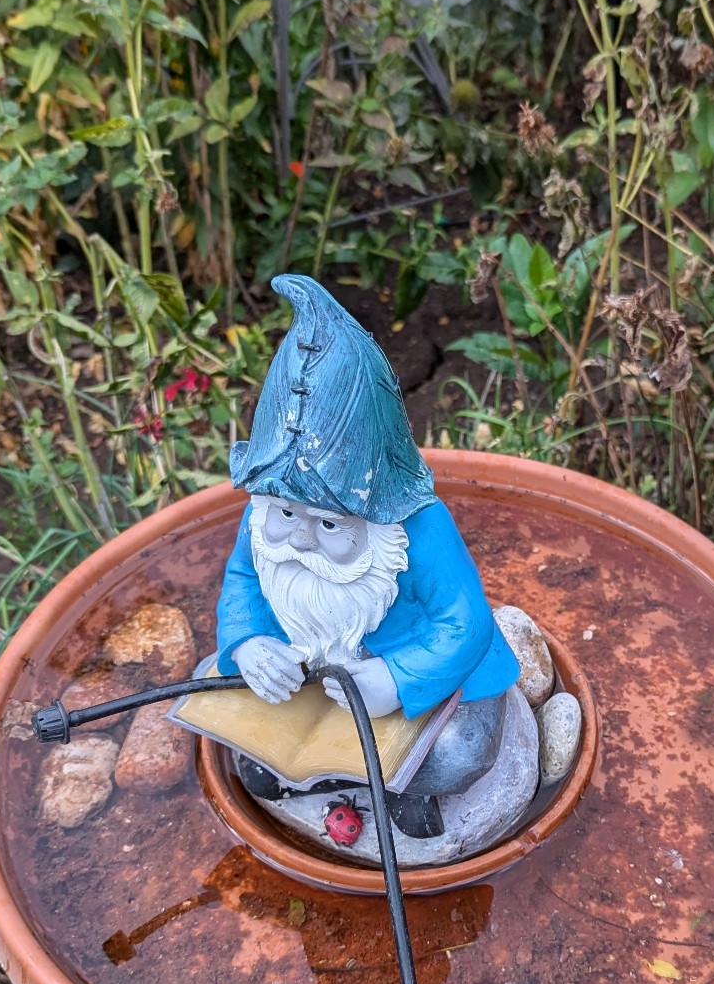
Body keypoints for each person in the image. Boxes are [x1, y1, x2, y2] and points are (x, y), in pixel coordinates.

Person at [211, 274, 520, 837]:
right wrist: (249, 642)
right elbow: (244, 582)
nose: (299, 539)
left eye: (330, 523)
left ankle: (409, 787)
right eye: (284, 513)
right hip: (313, 680)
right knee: (257, 759)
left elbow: (465, 625)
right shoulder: (268, 518)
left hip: (418, 679)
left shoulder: (419, 531)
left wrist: (397, 679)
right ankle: (327, 777)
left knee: (460, 752)